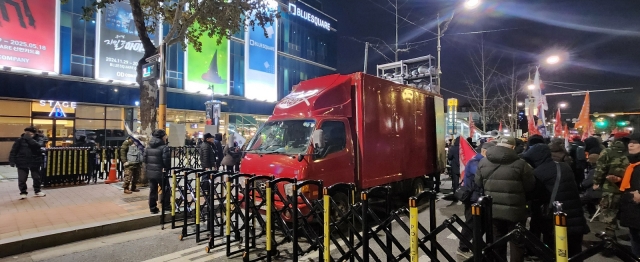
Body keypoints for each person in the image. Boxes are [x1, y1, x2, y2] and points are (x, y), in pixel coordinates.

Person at [523, 144, 588, 260]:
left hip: (555, 220)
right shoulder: (564, 166)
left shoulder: (539, 173)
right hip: (575, 216)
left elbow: (534, 195)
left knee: (556, 253)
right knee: (575, 253)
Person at [475, 136, 535, 262]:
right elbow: (529, 186)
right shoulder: (521, 164)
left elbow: (478, 183)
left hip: (492, 209)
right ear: (513, 147)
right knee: (517, 242)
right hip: (516, 210)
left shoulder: (483, 162)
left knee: (497, 240)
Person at [457, 141, 495, 259]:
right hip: (473, 199)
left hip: (480, 198)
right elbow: (481, 175)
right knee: (470, 224)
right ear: (484, 151)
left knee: (482, 224)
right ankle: (463, 247)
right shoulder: (475, 162)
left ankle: (475, 244)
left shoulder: (482, 161)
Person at [592, 136, 629, 241]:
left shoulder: (608, 151)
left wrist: (596, 182)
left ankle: (610, 239)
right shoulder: (632, 152)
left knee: (609, 211)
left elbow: (600, 169)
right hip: (630, 187)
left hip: (611, 187)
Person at [9, 127, 47, 199]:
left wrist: (29, 139)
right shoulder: (19, 140)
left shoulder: (39, 139)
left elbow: (38, 145)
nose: (29, 135)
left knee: (36, 177)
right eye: (27, 133)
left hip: (35, 161)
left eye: (30, 134)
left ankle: (37, 191)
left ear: (34, 134)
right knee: (22, 178)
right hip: (22, 162)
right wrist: (12, 161)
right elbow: (14, 151)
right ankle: (23, 192)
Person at [618, 133, 640, 257]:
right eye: (630, 142)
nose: (631, 145)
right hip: (633, 212)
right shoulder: (632, 163)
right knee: (635, 241)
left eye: (636, 142)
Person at [144, 129, 171, 214]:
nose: (166, 137)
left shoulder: (148, 147)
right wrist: (167, 169)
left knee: (153, 189)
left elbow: (144, 159)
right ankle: (166, 205)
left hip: (151, 172)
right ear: (162, 137)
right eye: (165, 136)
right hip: (161, 172)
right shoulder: (164, 148)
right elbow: (166, 162)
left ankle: (152, 207)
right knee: (166, 188)